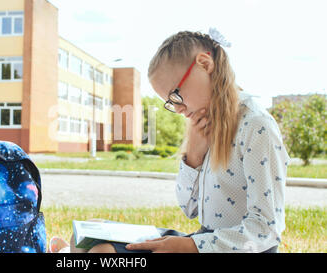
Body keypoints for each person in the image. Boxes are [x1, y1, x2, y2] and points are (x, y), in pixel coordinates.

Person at [51, 30, 290, 253]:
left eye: (176, 95)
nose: (178, 109)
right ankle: (67, 252)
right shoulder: (207, 127)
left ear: (205, 64)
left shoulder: (256, 125)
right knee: (91, 230)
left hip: (225, 247)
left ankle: (64, 254)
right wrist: (194, 154)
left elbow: (266, 230)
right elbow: (189, 208)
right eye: (170, 103)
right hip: (202, 239)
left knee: (101, 251)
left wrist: (191, 246)